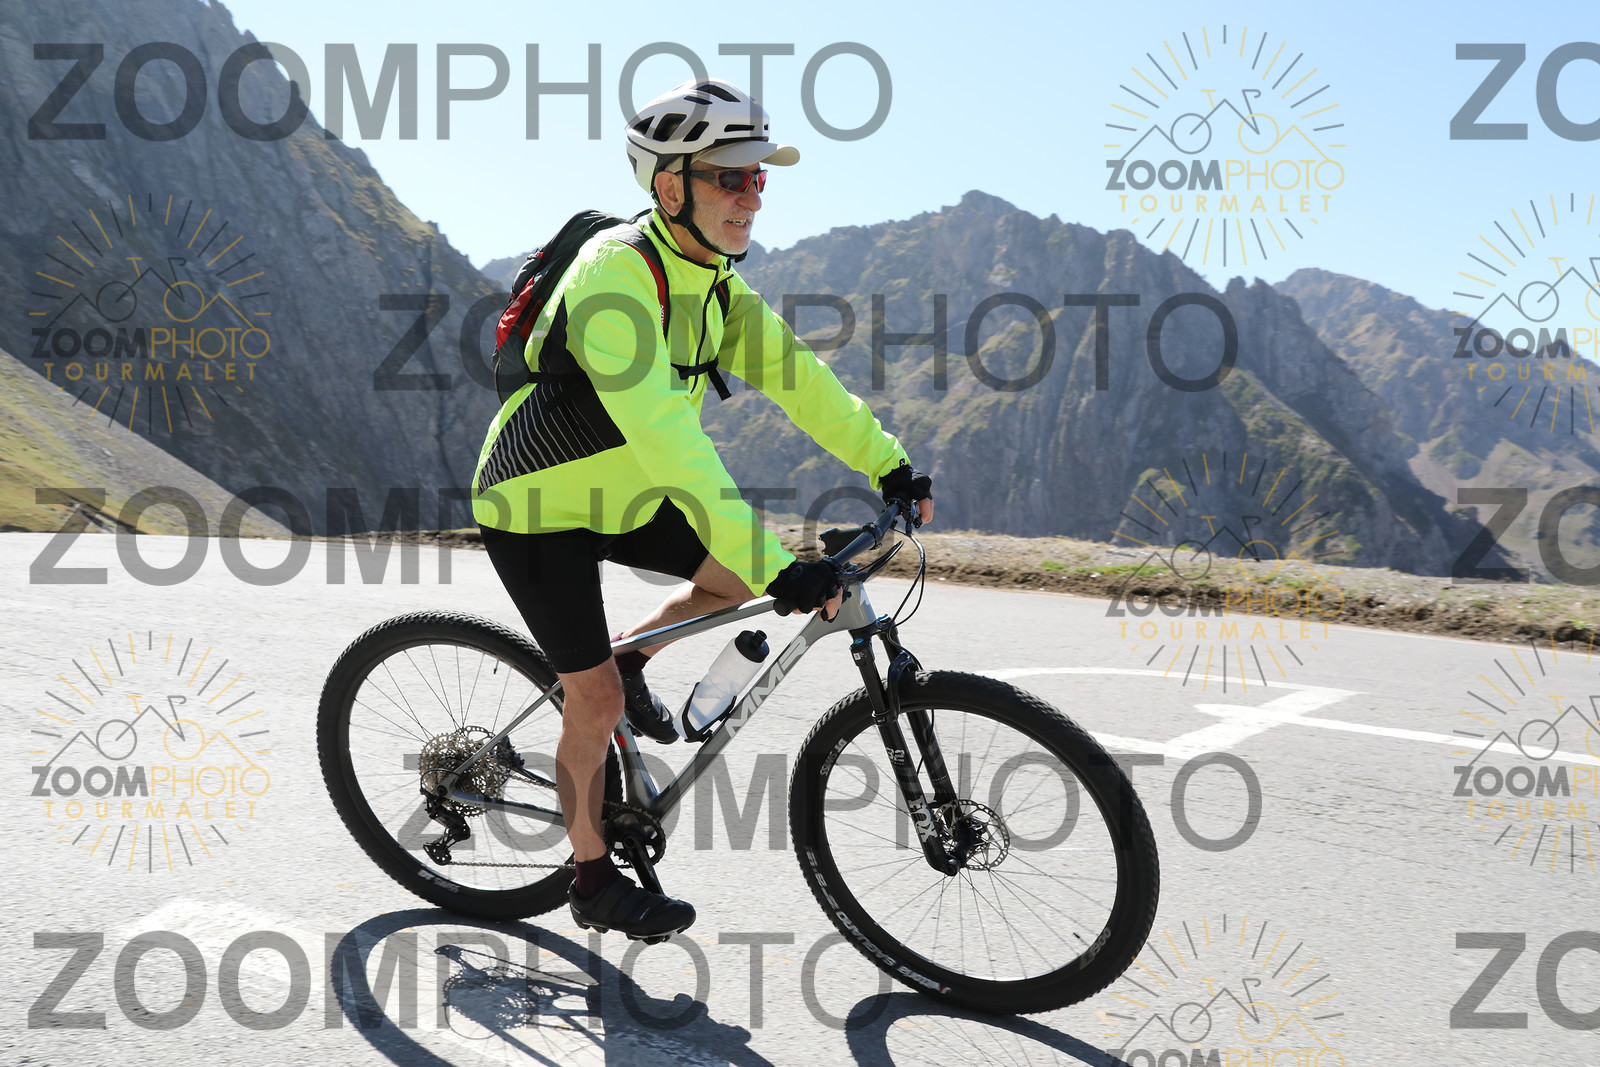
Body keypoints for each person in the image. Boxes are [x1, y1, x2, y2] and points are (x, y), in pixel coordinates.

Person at [470, 78, 934, 940]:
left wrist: (890, 462)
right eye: (730, 177)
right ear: (669, 185)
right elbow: (671, 442)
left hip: (626, 492)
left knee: (731, 580)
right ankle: (590, 877)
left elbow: (801, 381)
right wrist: (779, 566)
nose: (751, 196)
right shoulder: (617, 276)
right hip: (536, 505)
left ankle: (629, 658)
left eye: (758, 177)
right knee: (594, 702)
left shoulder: (716, 285)